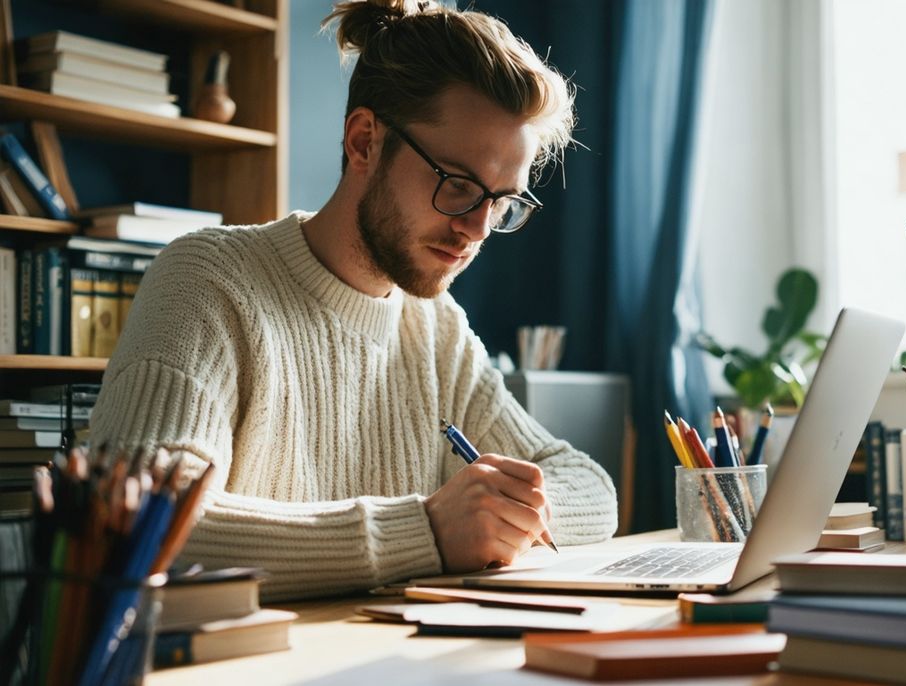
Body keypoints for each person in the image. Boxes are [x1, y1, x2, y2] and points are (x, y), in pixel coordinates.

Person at [89, 0, 618, 601]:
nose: (476, 229)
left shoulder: (435, 328)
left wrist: (505, 512)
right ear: (365, 141)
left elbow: (590, 488)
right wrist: (426, 531)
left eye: (501, 202)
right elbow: (133, 520)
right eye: (457, 184)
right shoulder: (209, 280)